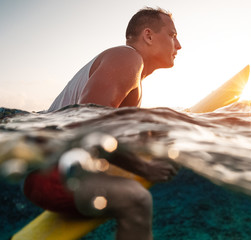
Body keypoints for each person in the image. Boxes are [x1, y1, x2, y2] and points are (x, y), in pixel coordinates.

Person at [23, 7, 181, 240]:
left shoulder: (128, 71)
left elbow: (105, 132)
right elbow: (89, 125)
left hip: (47, 167)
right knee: (138, 200)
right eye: (172, 35)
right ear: (148, 35)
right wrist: (143, 168)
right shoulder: (127, 58)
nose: (178, 46)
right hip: (53, 172)